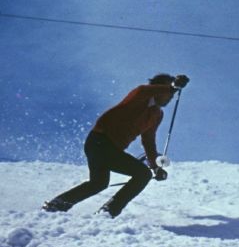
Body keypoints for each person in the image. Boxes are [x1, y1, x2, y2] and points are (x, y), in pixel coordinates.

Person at [42, 73, 190, 218]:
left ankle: (57, 204)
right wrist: (172, 87)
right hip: (99, 141)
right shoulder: (140, 95)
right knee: (142, 174)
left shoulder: (157, 114)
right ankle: (109, 211)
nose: (171, 96)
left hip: (109, 148)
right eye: (168, 91)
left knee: (98, 183)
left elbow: (148, 140)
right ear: (157, 88)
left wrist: (155, 167)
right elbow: (144, 90)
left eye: (173, 93)